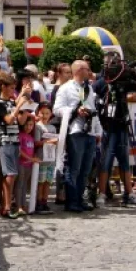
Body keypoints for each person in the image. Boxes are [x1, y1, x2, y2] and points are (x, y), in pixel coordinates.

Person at [93, 62, 136, 206]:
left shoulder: (125, 82)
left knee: (124, 161)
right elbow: (92, 98)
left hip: (122, 124)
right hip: (108, 127)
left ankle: (130, 193)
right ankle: (101, 193)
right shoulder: (101, 83)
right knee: (106, 161)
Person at [52, 60, 97, 213]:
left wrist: (90, 114)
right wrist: (74, 111)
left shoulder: (88, 88)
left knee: (85, 169)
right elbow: (56, 109)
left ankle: (79, 198)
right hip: (74, 130)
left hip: (89, 130)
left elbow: (93, 106)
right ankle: (71, 201)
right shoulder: (65, 88)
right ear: (79, 70)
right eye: (88, 69)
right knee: (74, 167)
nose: (90, 72)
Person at [0, 72, 26, 219]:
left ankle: (7, 204)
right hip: (4, 140)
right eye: (11, 88)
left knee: (12, 174)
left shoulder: (11, 102)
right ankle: (6, 206)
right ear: (3, 87)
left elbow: (19, 121)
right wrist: (19, 105)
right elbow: (8, 120)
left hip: (14, 140)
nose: (13, 91)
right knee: (10, 174)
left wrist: (23, 103)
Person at [33, 104, 57, 214]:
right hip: (41, 158)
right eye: (42, 113)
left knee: (48, 182)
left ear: (51, 114)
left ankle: (44, 202)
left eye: (47, 113)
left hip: (51, 159)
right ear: (38, 113)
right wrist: (47, 141)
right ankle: (38, 202)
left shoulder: (53, 127)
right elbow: (36, 142)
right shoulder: (37, 126)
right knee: (41, 182)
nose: (45, 115)